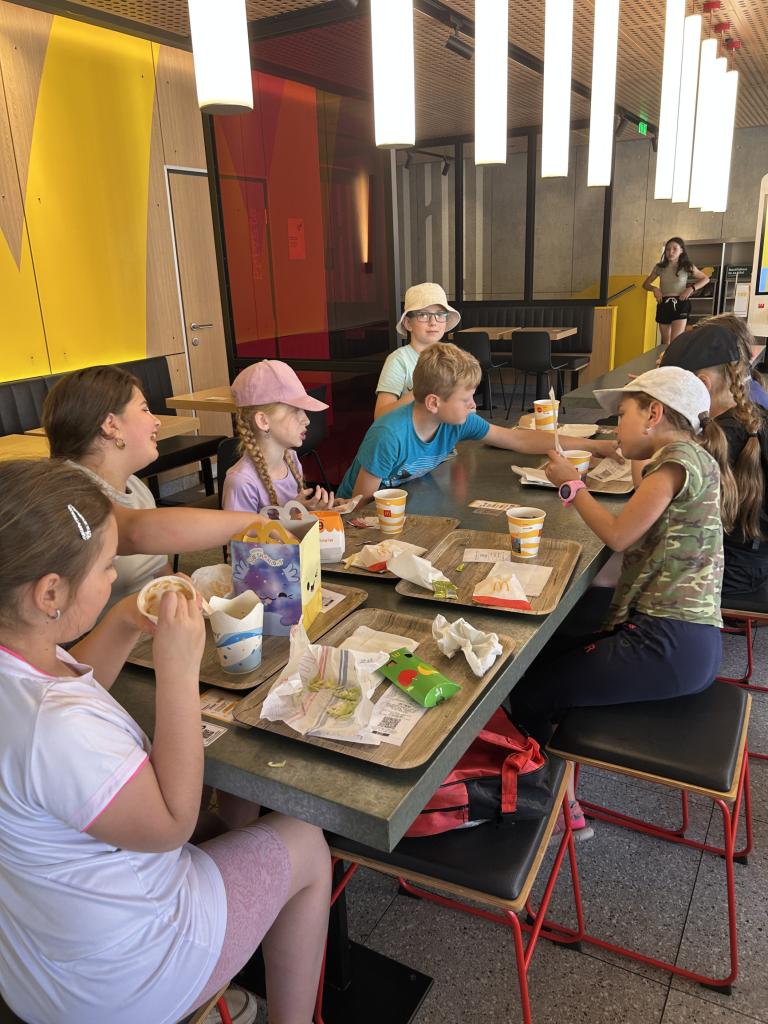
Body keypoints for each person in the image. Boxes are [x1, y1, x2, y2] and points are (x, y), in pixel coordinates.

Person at [0, 459, 330, 1024]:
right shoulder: (56, 727)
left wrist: (123, 618)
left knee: (234, 824)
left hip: (35, 963)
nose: (114, 577)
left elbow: (75, 676)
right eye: (108, 567)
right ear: (50, 591)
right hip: (123, 982)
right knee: (305, 840)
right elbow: (174, 823)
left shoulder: (22, 658)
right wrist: (178, 671)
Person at [508, 367, 724, 834]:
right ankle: (558, 780)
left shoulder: (675, 462)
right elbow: (638, 483)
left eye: (621, 415)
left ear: (654, 413)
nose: (614, 426)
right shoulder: (690, 456)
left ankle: (552, 807)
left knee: (527, 693)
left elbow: (619, 534)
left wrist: (571, 484)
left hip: (665, 644)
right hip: (688, 641)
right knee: (546, 658)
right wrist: (624, 448)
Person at [43, 366, 273, 611]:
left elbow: (156, 566)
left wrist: (173, 583)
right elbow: (134, 532)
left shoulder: (135, 487)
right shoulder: (67, 490)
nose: (156, 421)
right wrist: (255, 522)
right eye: (145, 409)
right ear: (110, 424)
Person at [337, 343, 621, 503]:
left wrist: (595, 447)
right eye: (466, 399)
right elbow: (360, 505)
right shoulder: (389, 435)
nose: (473, 405)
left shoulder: (457, 421)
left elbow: (519, 439)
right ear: (434, 402)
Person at [661, 323, 768, 606]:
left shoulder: (720, 440)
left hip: (729, 573)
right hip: (753, 563)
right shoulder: (753, 417)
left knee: (631, 564)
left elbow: (659, 508)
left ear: (702, 384)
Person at [223, 360, 336, 514]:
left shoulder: (291, 459)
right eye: (295, 410)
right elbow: (240, 531)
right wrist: (291, 513)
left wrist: (314, 510)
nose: (307, 420)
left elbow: (296, 522)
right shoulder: (241, 482)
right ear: (263, 421)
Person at [373, 282, 460, 420]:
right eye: (423, 315)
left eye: (440, 314)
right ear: (408, 323)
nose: (433, 322)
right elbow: (380, 416)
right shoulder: (399, 360)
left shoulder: (452, 356)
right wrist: (419, 391)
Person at [642, 236, 709, 345]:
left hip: (680, 303)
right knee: (666, 343)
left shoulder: (687, 266)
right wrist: (654, 289)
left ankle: (676, 356)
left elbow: (705, 279)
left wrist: (690, 289)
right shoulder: (659, 267)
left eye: (674, 249)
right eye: (668, 249)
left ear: (681, 250)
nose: (670, 252)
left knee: (675, 342)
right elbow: (645, 284)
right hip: (663, 303)